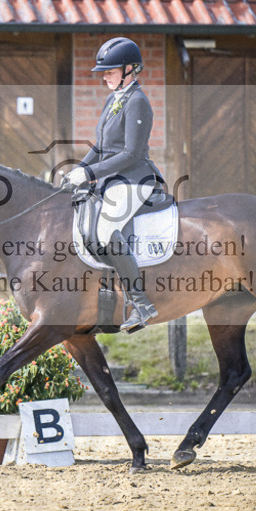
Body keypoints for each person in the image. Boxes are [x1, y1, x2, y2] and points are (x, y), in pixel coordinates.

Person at [64, 37, 163, 332]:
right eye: (103, 72)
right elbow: (101, 145)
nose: (104, 76)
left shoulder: (138, 102)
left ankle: (142, 304)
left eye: (110, 71)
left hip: (136, 178)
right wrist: (79, 170)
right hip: (113, 178)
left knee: (106, 229)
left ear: (130, 69)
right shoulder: (113, 99)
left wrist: (91, 174)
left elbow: (130, 153)